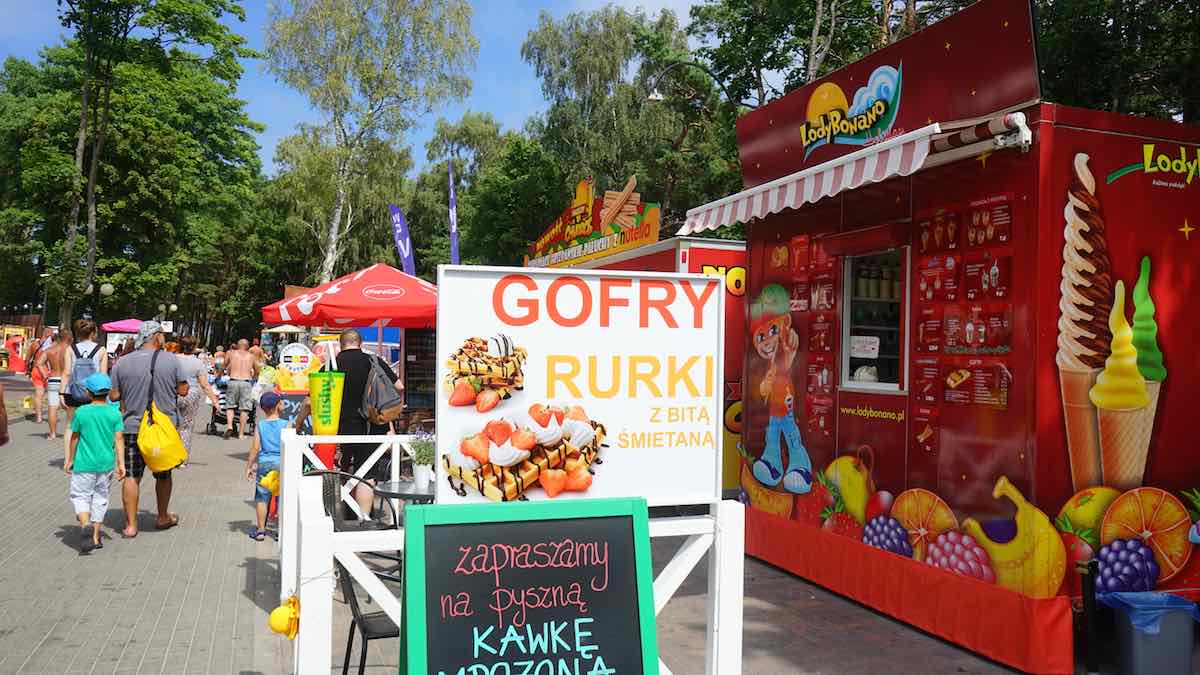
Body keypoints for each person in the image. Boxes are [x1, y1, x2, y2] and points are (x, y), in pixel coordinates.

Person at [109, 320, 187, 538]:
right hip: (161, 429)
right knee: (163, 474)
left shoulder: (121, 363)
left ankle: (131, 526)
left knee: (132, 476)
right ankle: (162, 516)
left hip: (132, 426)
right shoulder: (171, 361)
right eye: (162, 334)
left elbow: (114, 395)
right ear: (156, 337)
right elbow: (183, 390)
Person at [334, 329, 404, 517]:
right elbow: (399, 386)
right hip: (372, 426)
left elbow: (312, 399)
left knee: (345, 469)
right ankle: (363, 519)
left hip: (342, 428)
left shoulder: (333, 364)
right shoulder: (373, 360)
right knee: (368, 473)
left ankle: (344, 515)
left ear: (341, 344)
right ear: (360, 342)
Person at [65, 373, 125, 554]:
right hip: (106, 463)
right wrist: (121, 464)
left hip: (84, 463)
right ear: (107, 393)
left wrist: (70, 458)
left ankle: (85, 525)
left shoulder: (82, 412)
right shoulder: (114, 413)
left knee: (81, 495)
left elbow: (75, 437)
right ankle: (95, 536)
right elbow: (119, 438)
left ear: (88, 393)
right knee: (100, 498)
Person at [61, 319, 108, 459]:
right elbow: (103, 375)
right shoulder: (101, 350)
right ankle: (89, 457)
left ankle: (69, 460)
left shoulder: (71, 349)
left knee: (70, 426)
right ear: (93, 333)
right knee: (93, 426)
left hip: (73, 392)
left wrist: (61, 392)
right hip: (94, 393)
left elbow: (67, 372)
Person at [244, 392, 286, 541]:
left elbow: (255, 447)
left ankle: (261, 530)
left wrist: (249, 466)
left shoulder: (260, 425)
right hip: (282, 463)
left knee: (262, 497)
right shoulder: (287, 424)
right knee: (282, 497)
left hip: (265, 463)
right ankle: (280, 532)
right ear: (278, 406)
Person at [175, 335, 221, 452]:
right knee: (187, 426)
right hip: (192, 394)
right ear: (194, 347)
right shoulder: (198, 363)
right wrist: (215, 401)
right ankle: (182, 458)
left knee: (171, 424)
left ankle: (171, 454)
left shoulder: (173, 359)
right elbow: (205, 385)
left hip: (173, 393)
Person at [36, 330, 72, 441]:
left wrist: (45, 375)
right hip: (67, 381)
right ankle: (70, 434)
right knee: (70, 409)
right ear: (68, 337)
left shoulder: (50, 350)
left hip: (53, 380)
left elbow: (39, 363)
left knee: (52, 408)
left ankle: (52, 434)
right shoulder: (71, 350)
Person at [223, 339, 259, 440]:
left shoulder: (230, 353)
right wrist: (255, 377)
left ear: (238, 345)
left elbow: (224, 365)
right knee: (245, 408)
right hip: (246, 382)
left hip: (233, 380)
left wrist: (220, 373)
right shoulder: (251, 356)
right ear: (247, 346)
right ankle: (241, 434)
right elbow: (257, 370)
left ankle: (230, 425)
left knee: (230, 405)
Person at [25, 328, 53, 424]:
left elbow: (28, 358)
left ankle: (39, 417)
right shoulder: (52, 346)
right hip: (47, 370)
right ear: (49, 334)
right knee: (50, 394)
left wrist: (27, 370)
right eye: (52, 333)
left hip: (36, 370)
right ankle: (50, 415)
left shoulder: (34, 344)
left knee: (38, 394)